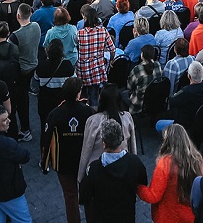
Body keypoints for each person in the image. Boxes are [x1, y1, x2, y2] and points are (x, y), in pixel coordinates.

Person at [43, 77, 94, 223]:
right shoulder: (88, 111)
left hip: (63, 163)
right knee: (89, 195)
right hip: (84, 162)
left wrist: (45, 163)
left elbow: (47, 139)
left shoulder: (55, 113)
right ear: (78, 93)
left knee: (70, 197)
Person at [80, 118, 149, 223]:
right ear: (121, 139)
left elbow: (84, 196)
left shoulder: (94, 169)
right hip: (127, 216)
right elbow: (143, 182)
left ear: (104, 143)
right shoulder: (134, 162)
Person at [138, 122, 202, 223]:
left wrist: (138, 187)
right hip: (188, 216)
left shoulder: (165, 163)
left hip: (167, 217)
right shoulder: (197, 159)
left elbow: (153, 196)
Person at [79, 84, 140, 184]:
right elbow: (132, 145)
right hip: (122, 169)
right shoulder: (127, 118)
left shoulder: (93, 121)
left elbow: (86, 150)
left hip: (98, 172)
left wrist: (80, 178)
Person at [10, 3, 40, 141]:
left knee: (20, 100)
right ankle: (25, 128)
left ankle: (25, 130)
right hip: (33, 66)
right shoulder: (36, 27)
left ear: (17, 16)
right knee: (24, 98)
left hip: (21, 71)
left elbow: (12, 55)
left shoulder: (15, 36)